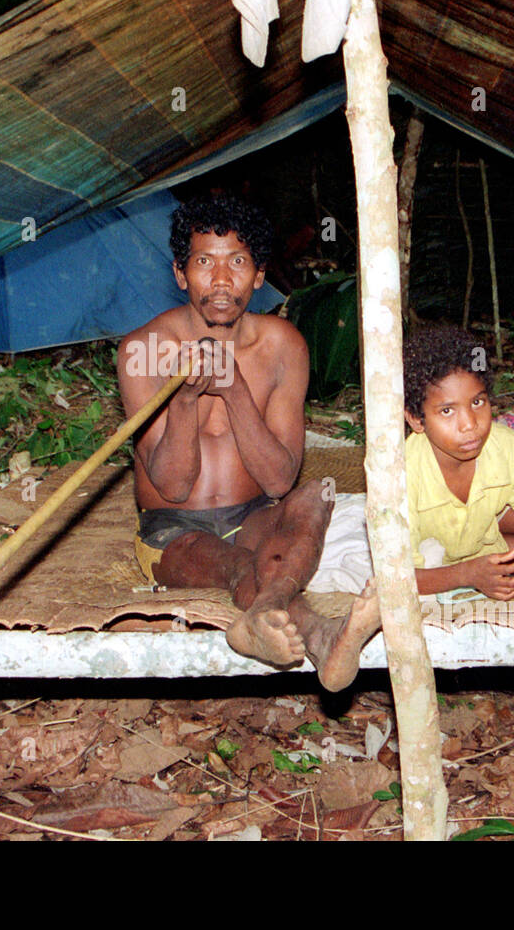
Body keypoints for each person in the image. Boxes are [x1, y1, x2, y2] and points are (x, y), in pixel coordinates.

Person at [117, 195, 379, 691]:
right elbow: (172, 487)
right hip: (172, 530)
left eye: (237, 262)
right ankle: (322, 636)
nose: (220, 280)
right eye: (203, 262)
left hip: (255, 513)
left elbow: (280, 479)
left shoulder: (283, 345)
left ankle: (261, 616)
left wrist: (235, 390)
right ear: (180, 274)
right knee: (236, 563)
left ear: (258, 275)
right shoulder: (142, 350)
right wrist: (186, 403)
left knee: (316, 494)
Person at [403, 325, 514, 598]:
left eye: (477, 403)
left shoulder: (503, 446)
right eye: (447, 410)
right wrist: (467, 575)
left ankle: (497, 526)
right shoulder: (400, 472)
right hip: (431, 563)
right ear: (417, 420)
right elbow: (395, 578)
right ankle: (495, 531)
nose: (469, 425)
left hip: (480, 540)